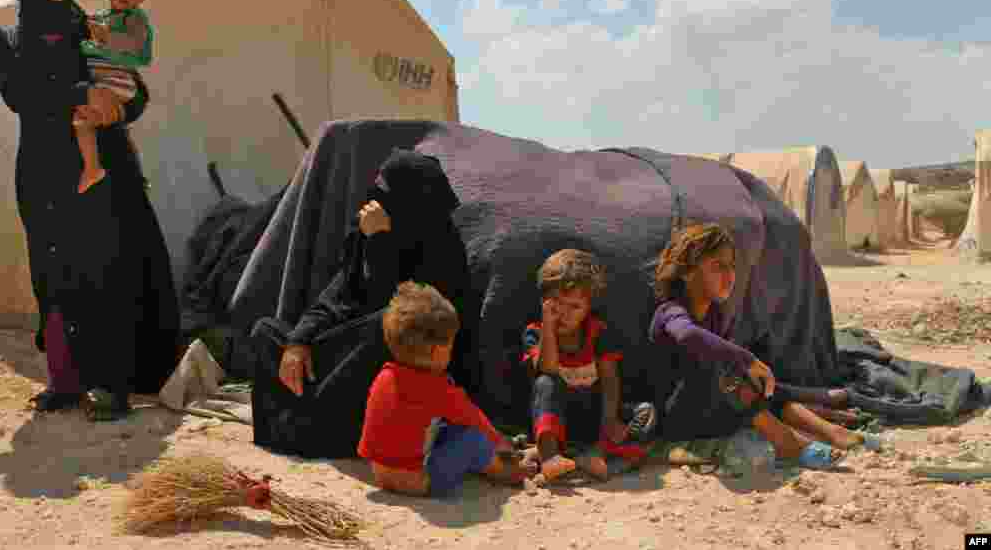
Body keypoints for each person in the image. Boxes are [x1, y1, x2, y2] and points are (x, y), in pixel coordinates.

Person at [0, 0, 180, 421]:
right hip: (41, 173)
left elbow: (132, 84)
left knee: (107, 272)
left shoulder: (85, 26)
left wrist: (121, 106)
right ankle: (63, 382)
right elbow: (21, 94)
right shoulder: (9, 39)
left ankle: (112, 383)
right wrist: (80, 95)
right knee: (51, 278)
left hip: (99, 169)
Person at [252, 148, 476, 458]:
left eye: (386, 195)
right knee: (266, 332)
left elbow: (402, 310)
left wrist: (382, 242)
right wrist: (298, 341)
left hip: (400, 359)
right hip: (352, 351)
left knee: (385, 326)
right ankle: (299, 424)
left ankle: (323, 430)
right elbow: (336, 297)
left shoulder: (442, 248)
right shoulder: (364, 235)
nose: (374, 204)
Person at [647, 223, 881, 469]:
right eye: (718, 267)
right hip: (679, 419)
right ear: (687, 272)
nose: (729, 276)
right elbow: (687, 336)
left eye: (731, 267)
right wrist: (746, 359)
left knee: (754, 381)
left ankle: (831, 431)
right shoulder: (670, 312)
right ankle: (788, 443)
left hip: (712, 412)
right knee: (728, 365)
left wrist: (808, 396)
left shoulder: (714, 314)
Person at [358, 282, 533, 497]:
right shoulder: (436, 388)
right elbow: (473, 418)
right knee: (472, 439)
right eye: (450, 346)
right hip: (419, 480)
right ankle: (507, 472)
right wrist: (501, 444)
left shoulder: (385, 375)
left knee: (443, 427)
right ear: (435, 351)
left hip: (380, 473)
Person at [523, 249, 657, 482]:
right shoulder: (535, 333)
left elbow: (609, 379)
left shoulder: (598, 332)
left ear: (588, 307)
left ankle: (592, 456)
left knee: (645, 412)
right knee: (545, 383)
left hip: (593, 419)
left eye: (574, 307)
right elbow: (548, 369)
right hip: (557, 421)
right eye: (558, 305)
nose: (564, 314)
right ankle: (550, 457)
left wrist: (609, 420)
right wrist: (548, 325)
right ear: (545, 302)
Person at [75, 0, 155, 194]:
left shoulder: (135, 19)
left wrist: (105, 34)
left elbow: (133, 43)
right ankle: (94, 168)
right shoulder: (100, 17)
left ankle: (96, 168)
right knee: (84, 120)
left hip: (116, 79)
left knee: (88, 119)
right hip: (101, 79)